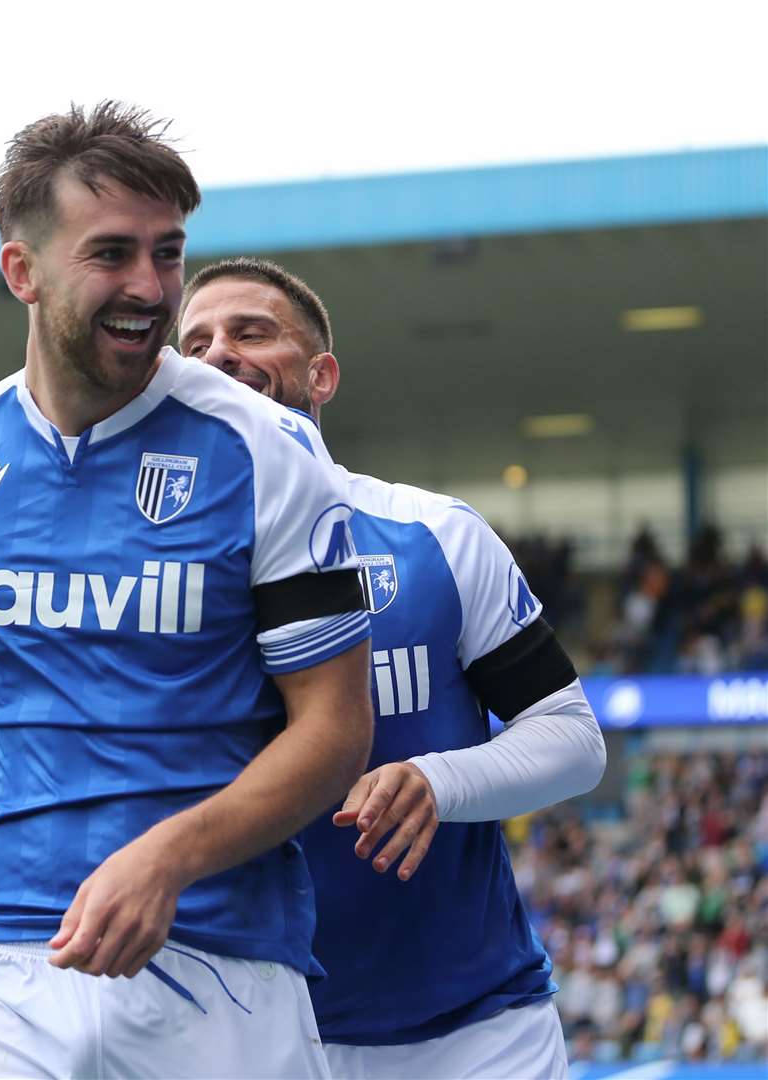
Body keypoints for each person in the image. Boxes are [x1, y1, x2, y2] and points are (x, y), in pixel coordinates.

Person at [0, 102, 375, 1079]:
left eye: (168, 253)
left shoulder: (267, 453)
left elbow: (333, 730)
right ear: (22, 270)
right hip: (4, 964)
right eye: (112, 254)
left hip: (222, 962)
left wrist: (171, 856)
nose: (150, 289)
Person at [178, 256, 607, 1079]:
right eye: (192, 342)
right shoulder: (147, 578)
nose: (218, 353)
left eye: (251, 332)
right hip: (251, 1036)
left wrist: (437, 781)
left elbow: (572, 741)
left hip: (478, 1031)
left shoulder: (435, 535)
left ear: (321, 374)